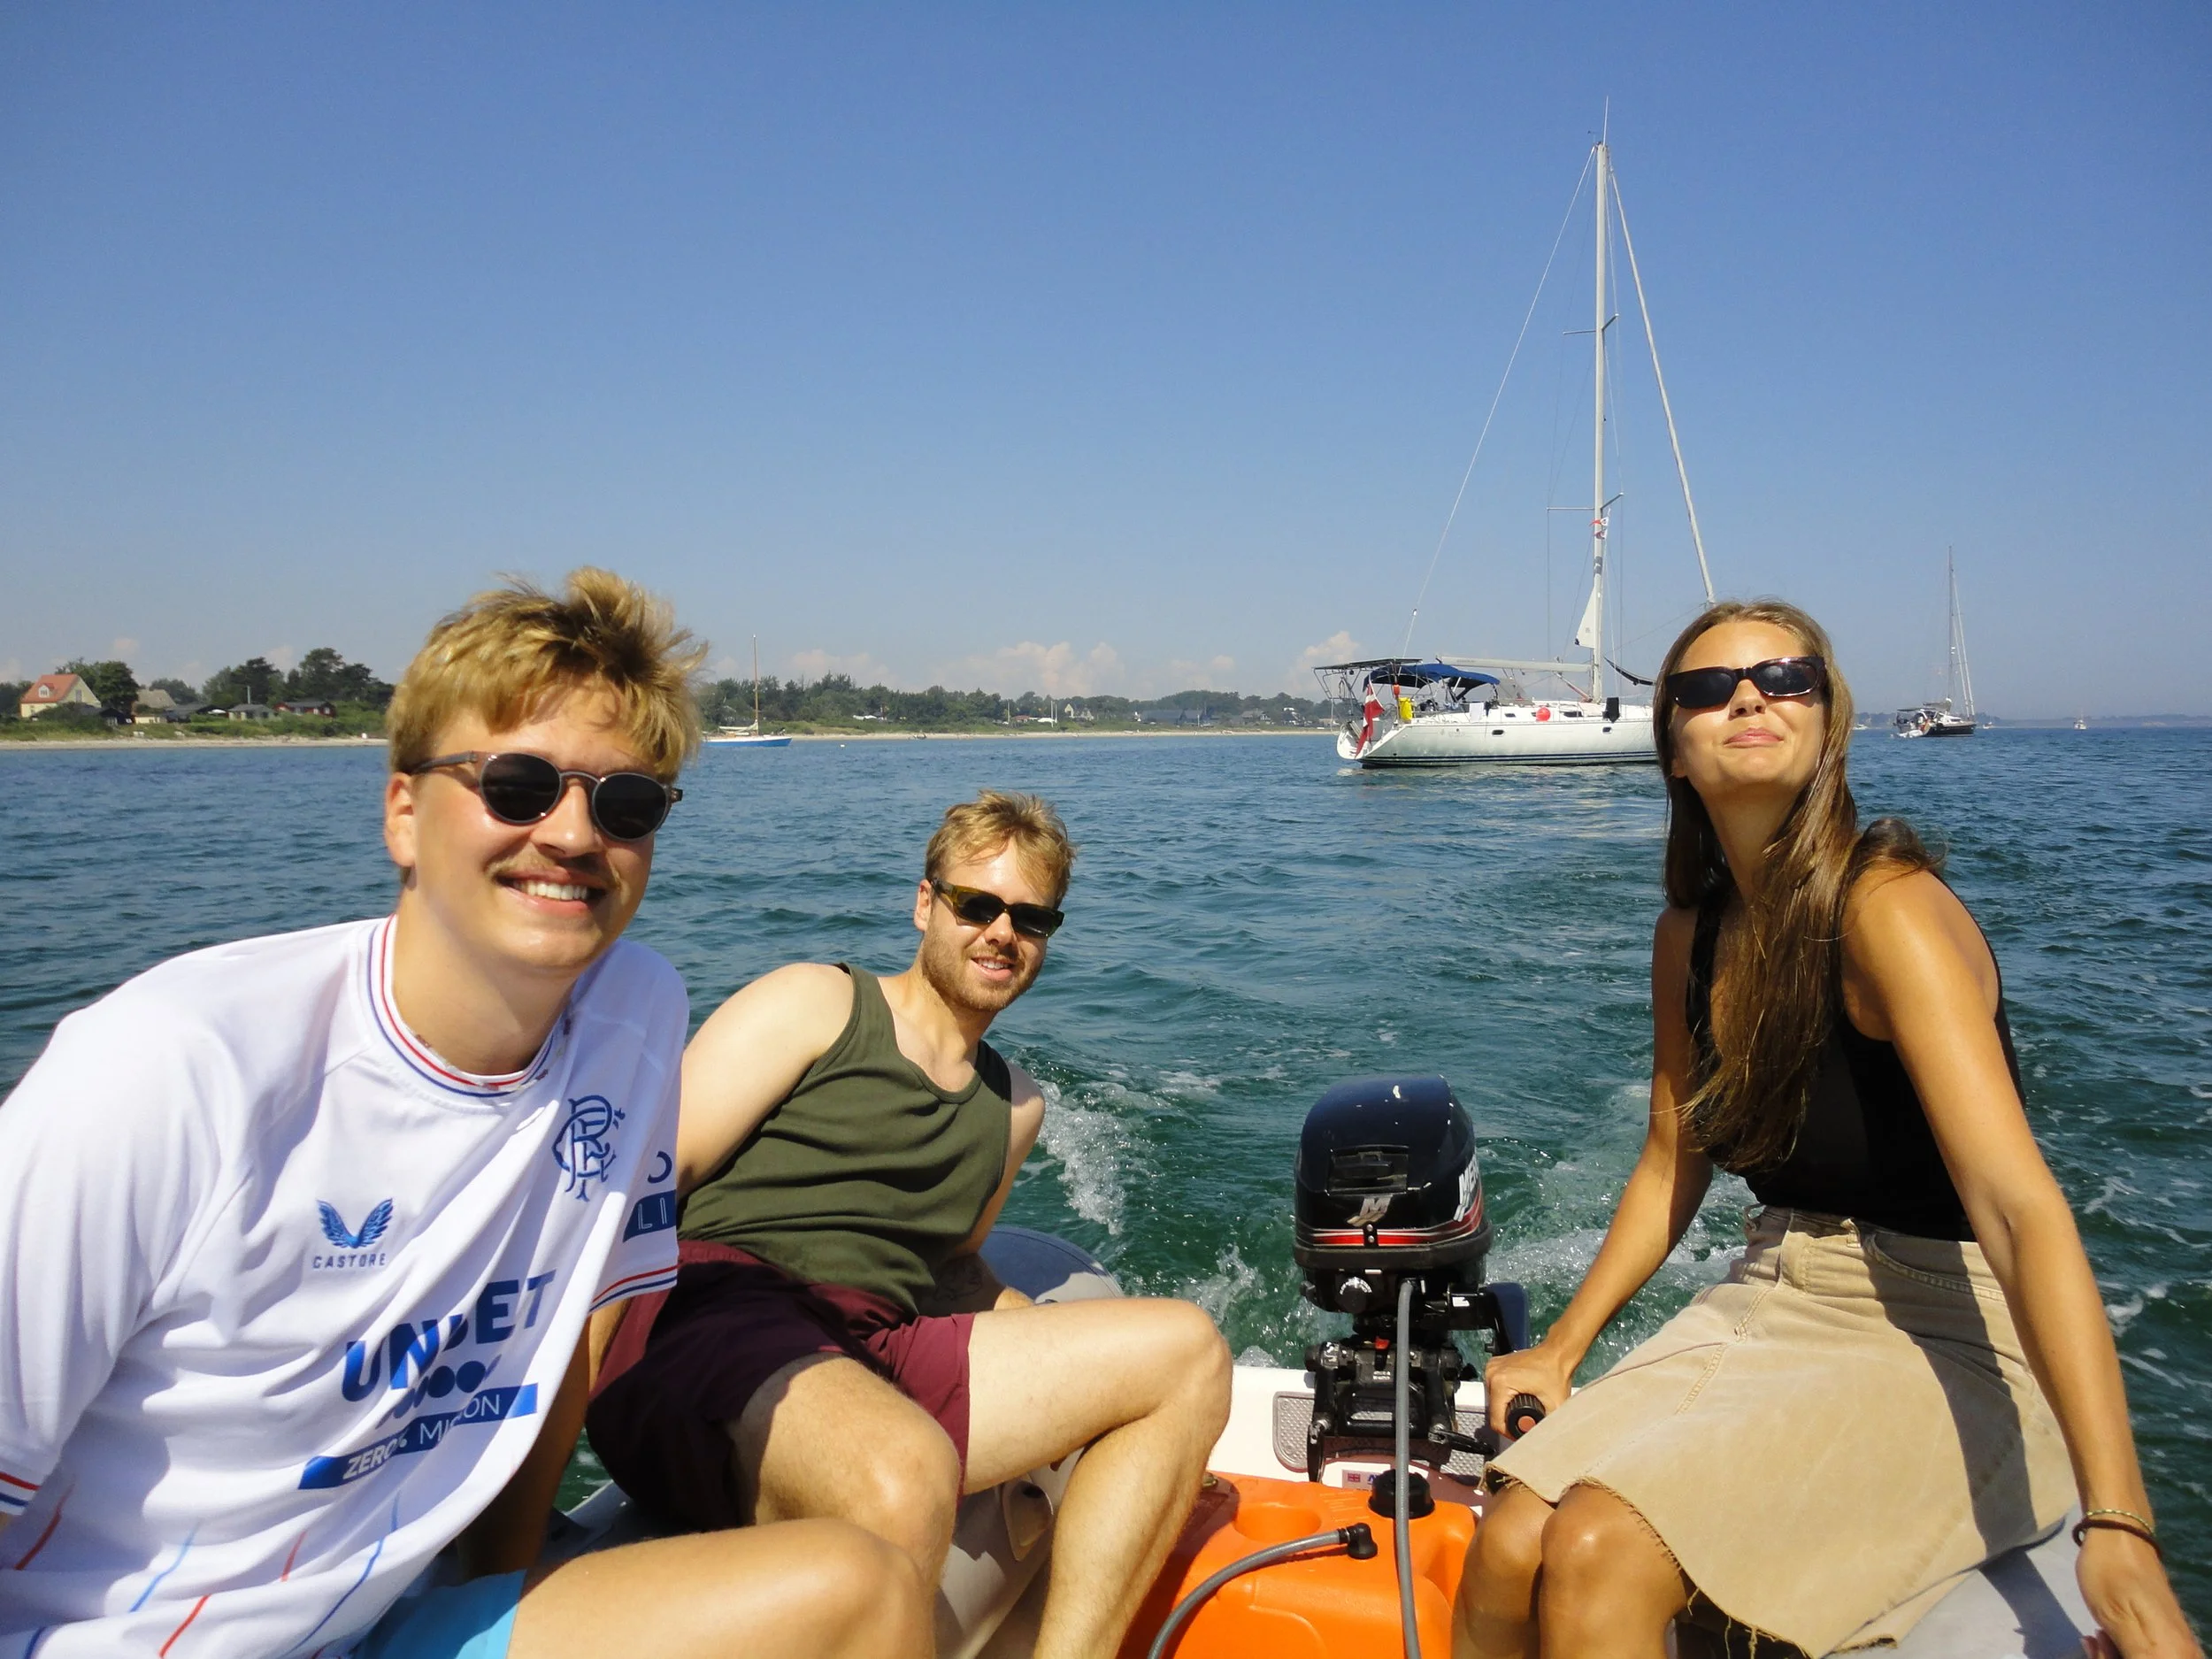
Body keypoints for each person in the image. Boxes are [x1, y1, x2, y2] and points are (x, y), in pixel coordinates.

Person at [0, 570, 927, 1659]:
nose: (575, 836)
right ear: (403, 811)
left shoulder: (635, 1020)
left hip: (389, 1620)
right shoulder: (175, 1072)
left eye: (626, 804)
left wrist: (497, 1587)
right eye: (519, 785)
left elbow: (568, 1337)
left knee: (861, 1587)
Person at [1454, 601, 2199, 1659]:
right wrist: (1562, 1349)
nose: (1748, 697)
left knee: (1595, 1548)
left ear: (1829, 720)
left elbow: (2019, 1210)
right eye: (1707, 690)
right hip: (1776, 1293)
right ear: (1671, 747)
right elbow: (1674, 1152)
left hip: (1947, 1325)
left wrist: (2118, 1525)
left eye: (1783, 677)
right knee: (1510, 1539)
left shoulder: (1887, 909)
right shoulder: (1689, 937)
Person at [586, 790, 1232, 1659]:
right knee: (902, 1471)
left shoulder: (1014, 1107)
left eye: (1031, 918)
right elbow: (640, 1186)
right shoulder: (819, 1004)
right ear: (926, 903)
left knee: (1187, 1353)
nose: (1004, 932)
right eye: (978, 904)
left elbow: (951, 1267)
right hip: (718, 1316)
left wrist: (1052, 1352)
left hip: (869, 1346)